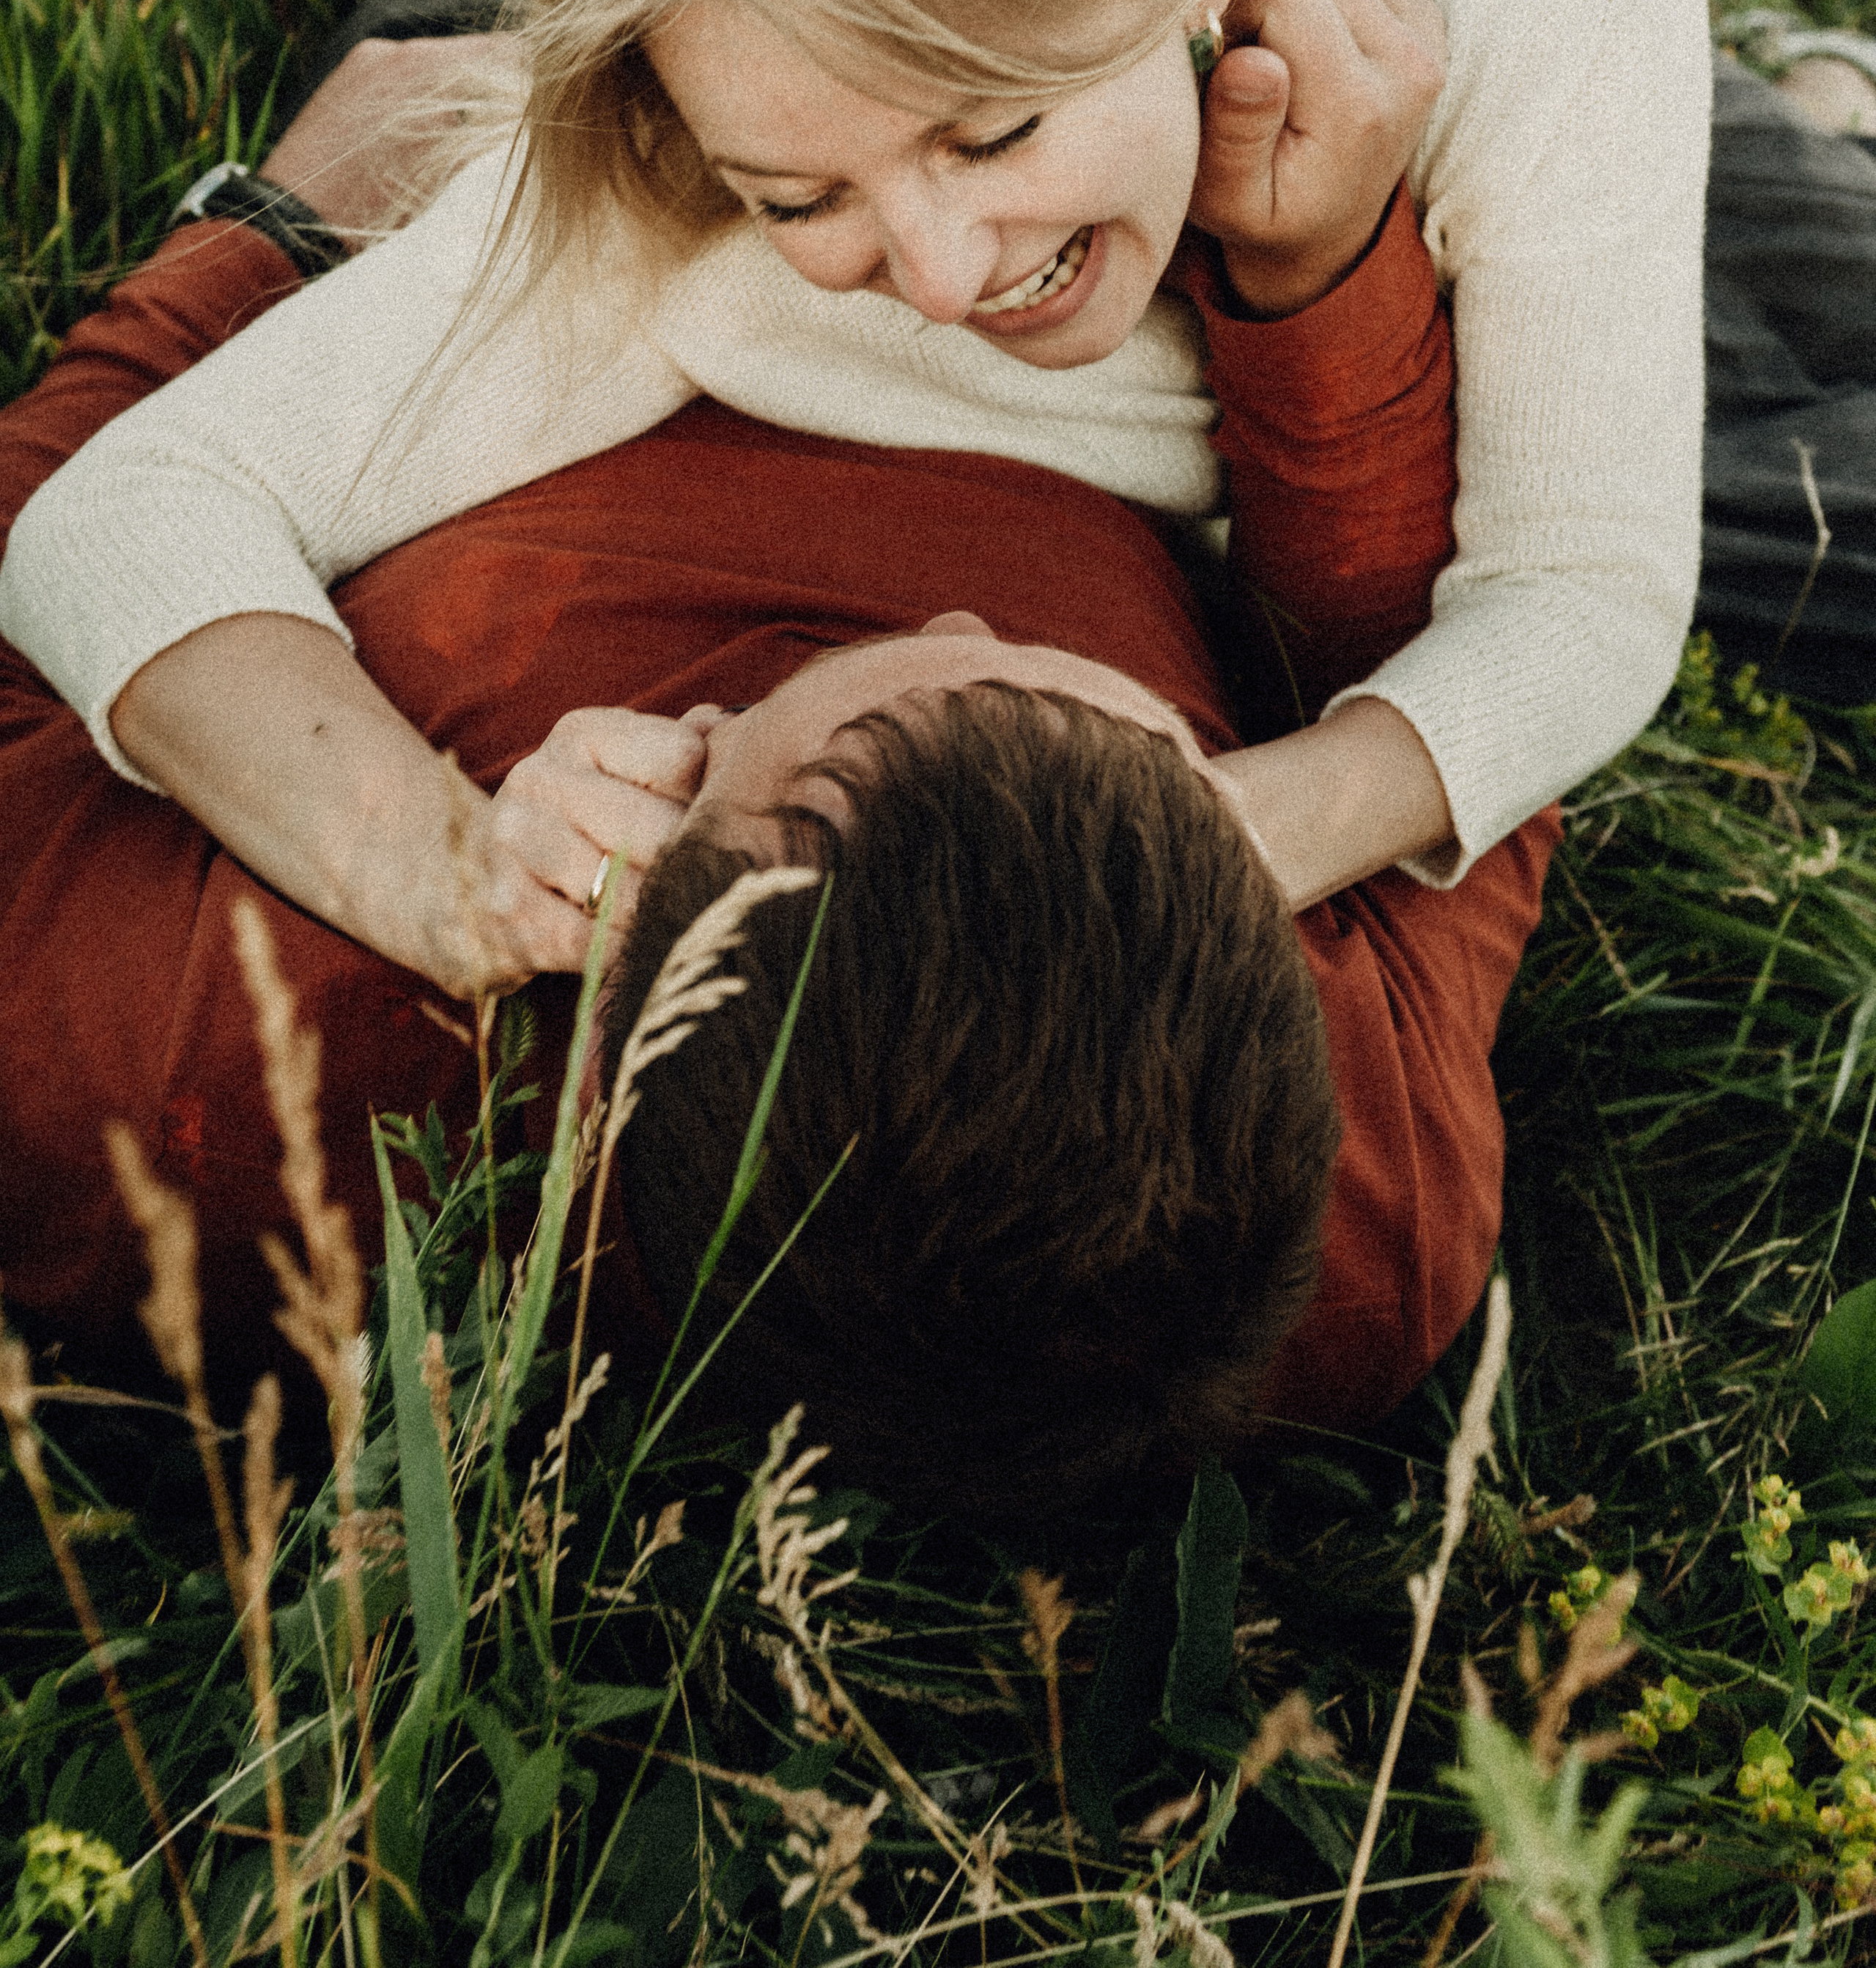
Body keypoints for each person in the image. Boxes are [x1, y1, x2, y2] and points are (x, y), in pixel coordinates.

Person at [0, 0, 1710, 1008]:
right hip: (558, 58)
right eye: (802, 196)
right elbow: (123, 520)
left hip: (1547, 80)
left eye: (992, 132)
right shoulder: (676, 177)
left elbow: (1579, 588)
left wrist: (1244, 829)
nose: (944, 277)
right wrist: (443, 869)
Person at [0, 84, 1551, 1506]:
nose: (963, 611)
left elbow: (42, 546)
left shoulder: (193, 1113)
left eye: (807, 700)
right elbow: (1445, 674)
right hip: (1089, 310)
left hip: (486, 244)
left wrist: (273, 229)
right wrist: (1314, 280)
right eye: (1121, 719)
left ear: (647, 875)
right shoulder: (1363, 1220)